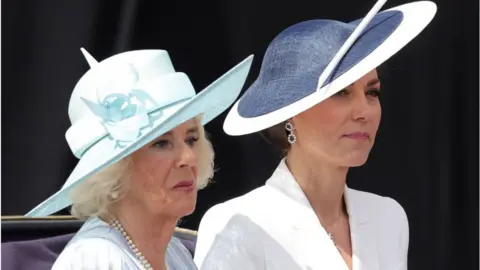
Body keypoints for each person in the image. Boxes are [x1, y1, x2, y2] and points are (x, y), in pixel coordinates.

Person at [194, 1, 437, 270]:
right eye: (340, 92)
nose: (364, 111)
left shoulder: (388, 218)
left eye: (372, 92)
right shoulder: (238, 224)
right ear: (290, 113)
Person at [25, 48, 253, 270]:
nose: (188, 157)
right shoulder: (95, 259)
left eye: (191, 139)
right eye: (161, 143)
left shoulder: (175, 254)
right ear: (114, 169)